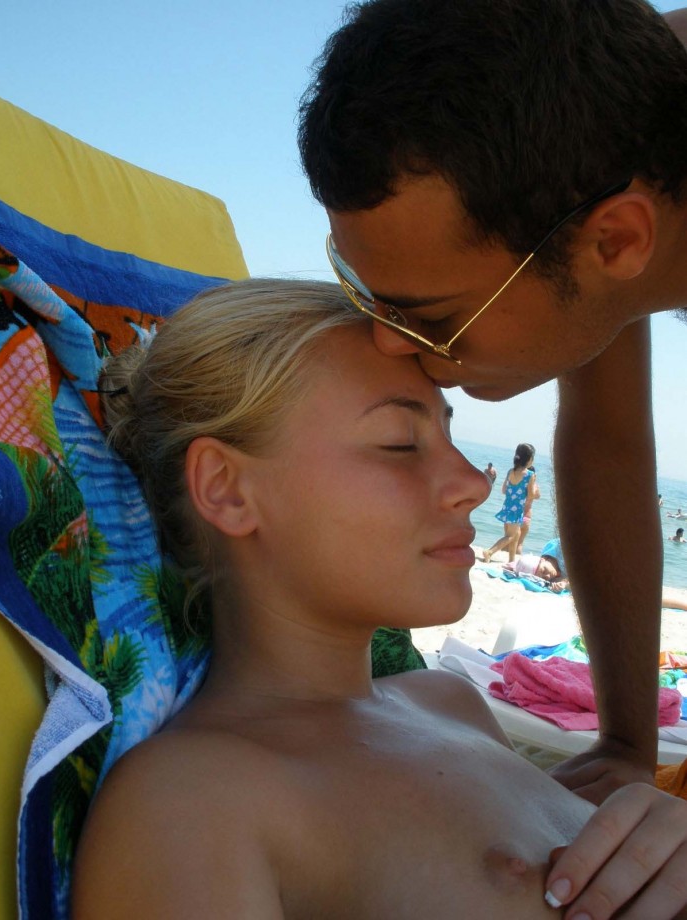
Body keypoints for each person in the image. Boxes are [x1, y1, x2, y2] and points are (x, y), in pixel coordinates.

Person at [72, 279, 687, 920]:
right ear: (226, 489)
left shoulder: (451, 703)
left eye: (450, 437)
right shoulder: (191, 801)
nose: (474, 484)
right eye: (400, 443)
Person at [298, 0, 687, 804]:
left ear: (617, 241)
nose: (389, 345)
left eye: (428, 315)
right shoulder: (606, 122)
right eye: (368, 297)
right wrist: (625, 744)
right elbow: (608, 444)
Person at [482, 443, 536, 563]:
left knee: (515, 535)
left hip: (507, 507)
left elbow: (504, 490)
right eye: (532, 458)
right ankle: (489, 552)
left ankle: (511, 561)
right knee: (510, 536)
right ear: (529, 459)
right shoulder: (530, 475)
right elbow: (531, 495)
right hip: (517, 510)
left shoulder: (510, 471)